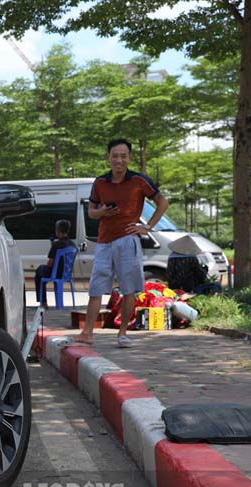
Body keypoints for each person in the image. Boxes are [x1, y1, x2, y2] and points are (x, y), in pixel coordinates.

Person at [73, 139, 168, 348]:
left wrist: (148, 227)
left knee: (129, 289)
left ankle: (123, 333)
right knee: (96, 288)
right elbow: (91, 212)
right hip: (104, 241)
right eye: (115, 156)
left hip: (128, 240)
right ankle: (87, 333)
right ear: (108, 157)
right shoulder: (100, 182)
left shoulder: (139, 180)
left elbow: (163, 202)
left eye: (123, 156)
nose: (119, 160)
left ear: (129, 158)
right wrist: (102, 212)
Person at [34, 219, 76, 308]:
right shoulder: (72, 244)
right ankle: (46, 302)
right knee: (42, 271)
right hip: (66, 274)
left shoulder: (56, 245)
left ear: (58, 230)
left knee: (39, 271)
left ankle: (43, 302)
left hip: (56, 274)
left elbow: (50, 264)